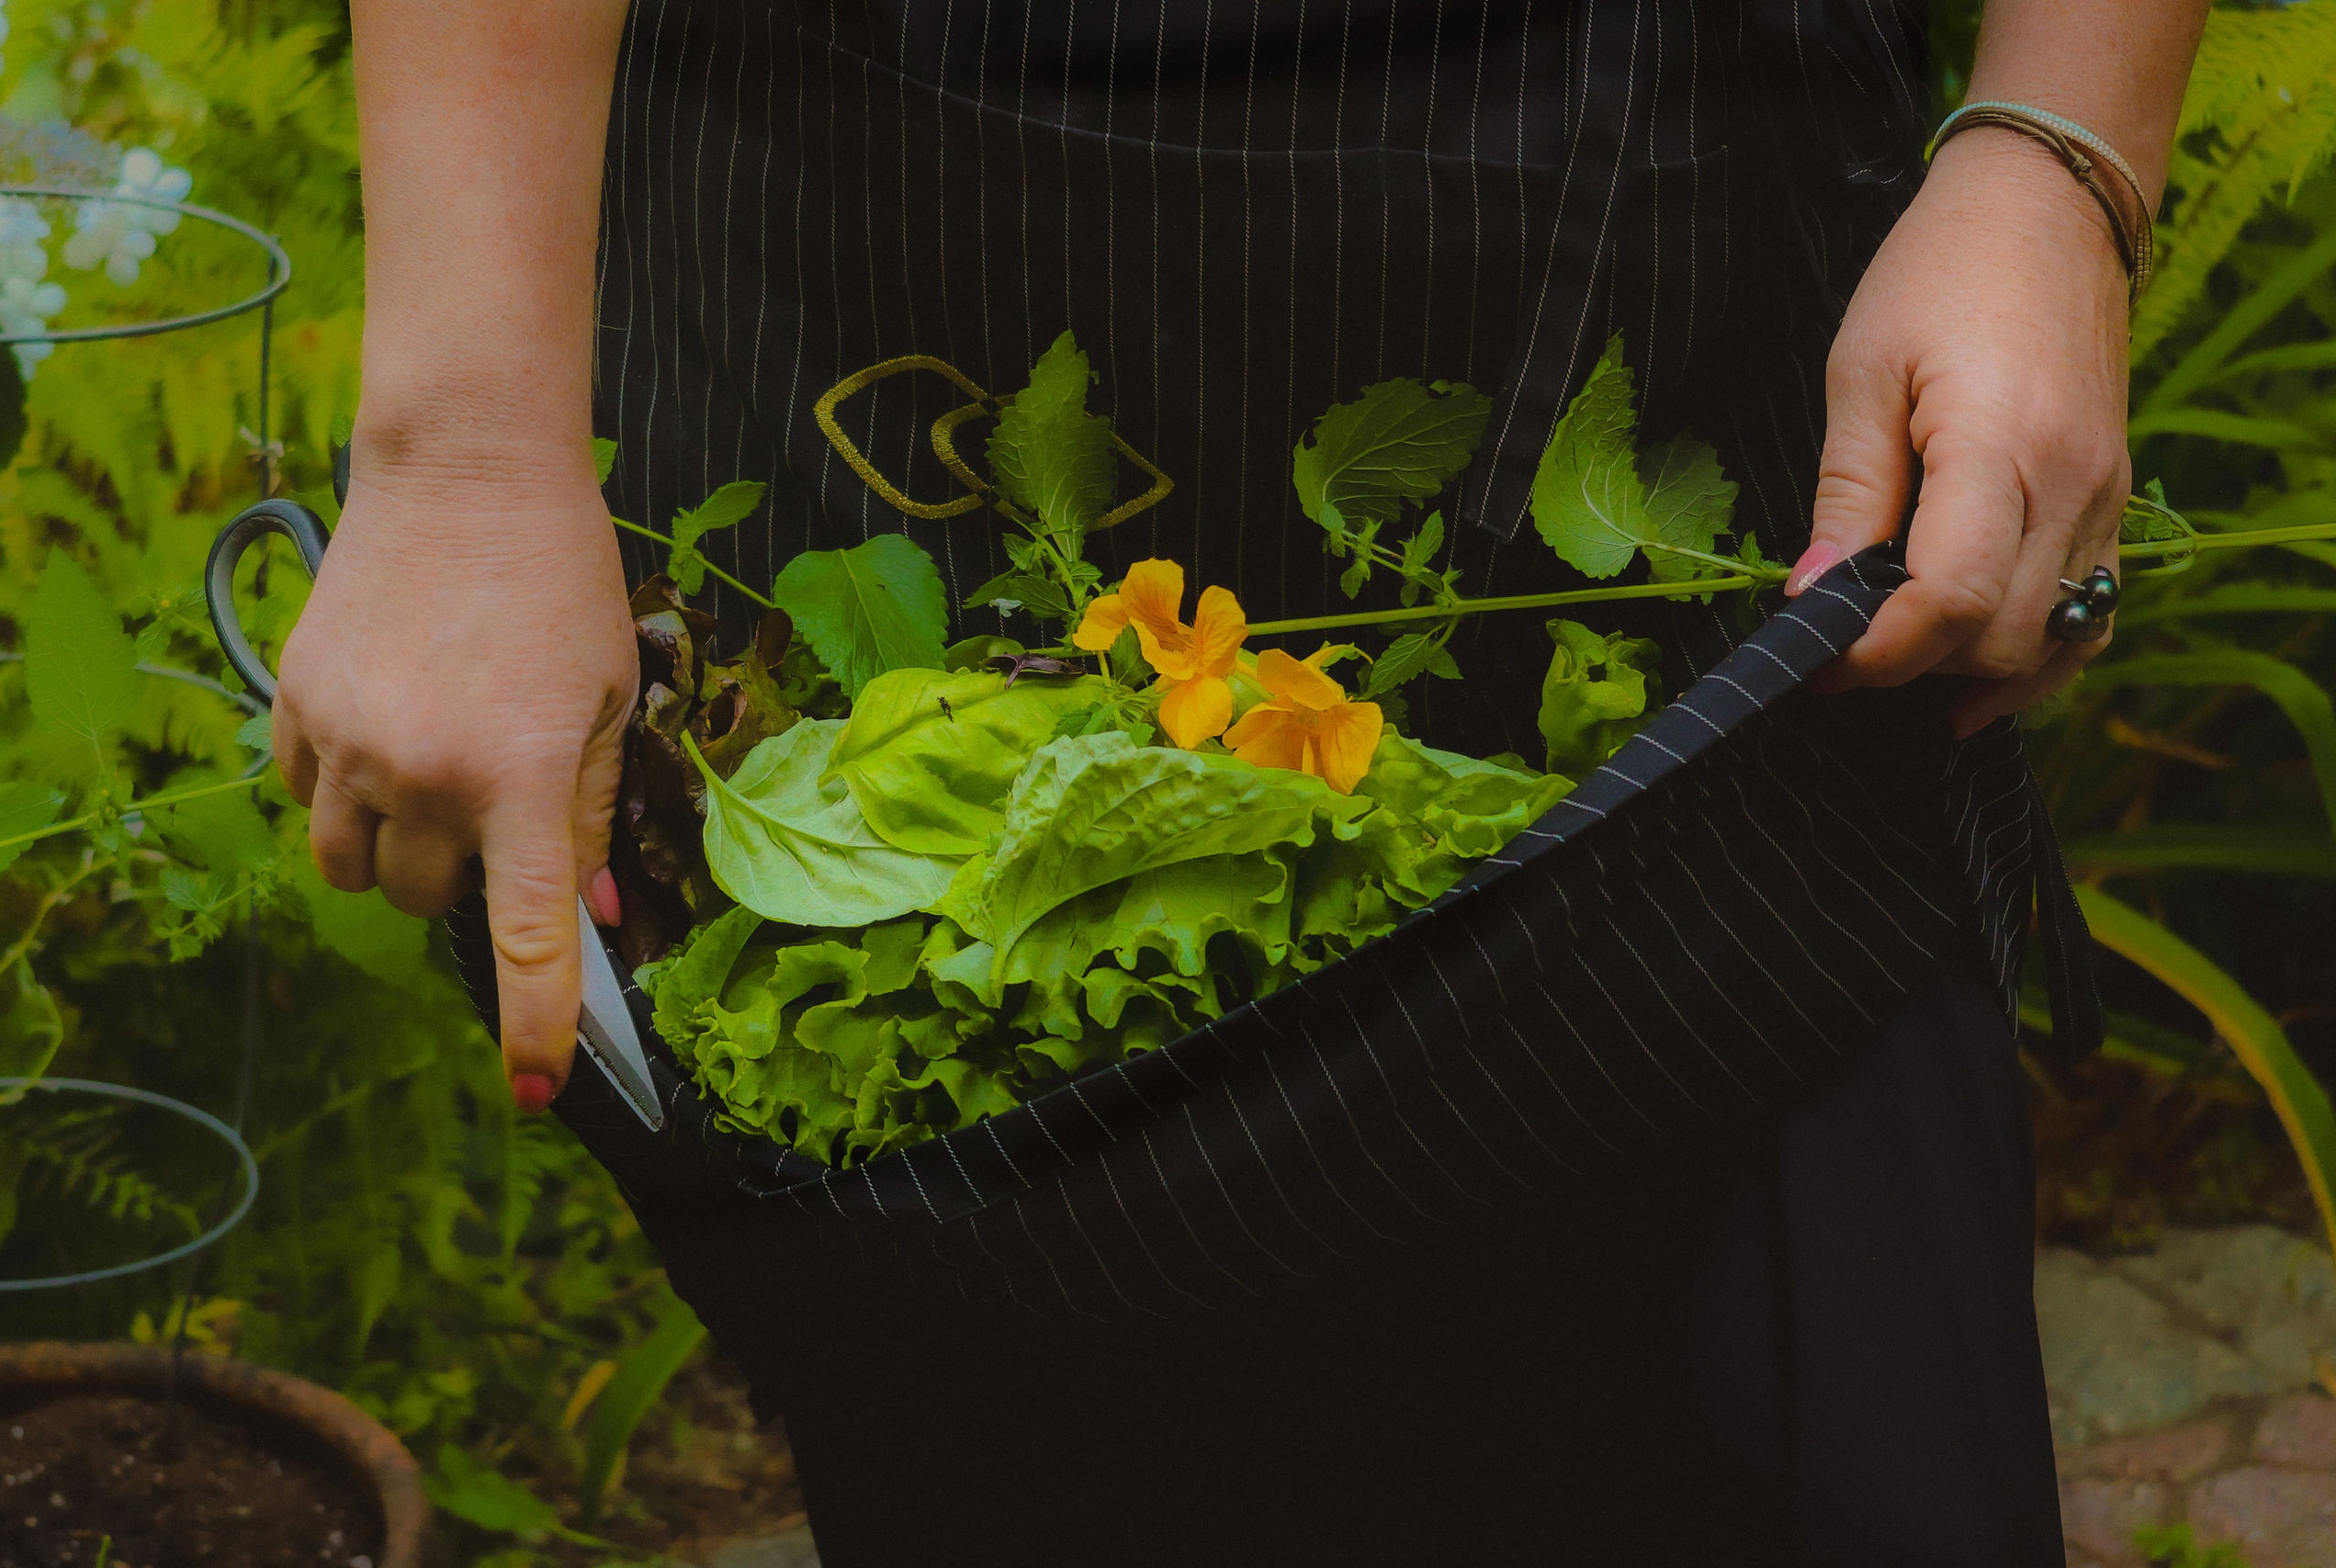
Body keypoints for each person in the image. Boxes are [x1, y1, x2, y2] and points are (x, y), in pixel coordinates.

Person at [276, 2, 2207, 1562]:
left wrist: (2056, 143)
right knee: (1040, 1448)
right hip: (903, 259)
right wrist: (461, 442)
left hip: (1681, 269)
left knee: (1811, 1431)